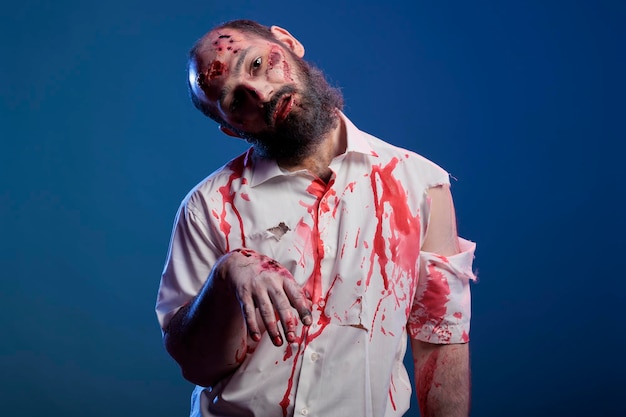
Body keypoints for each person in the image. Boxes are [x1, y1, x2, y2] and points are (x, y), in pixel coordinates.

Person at [156, 19, 477, 417]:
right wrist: (228, 274)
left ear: (288, 42)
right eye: (236, 101)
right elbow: (196, 364)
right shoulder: (206, 207)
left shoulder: (420, 186)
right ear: (232, 130)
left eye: (256, 64)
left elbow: (440, 344)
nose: (260, 93)